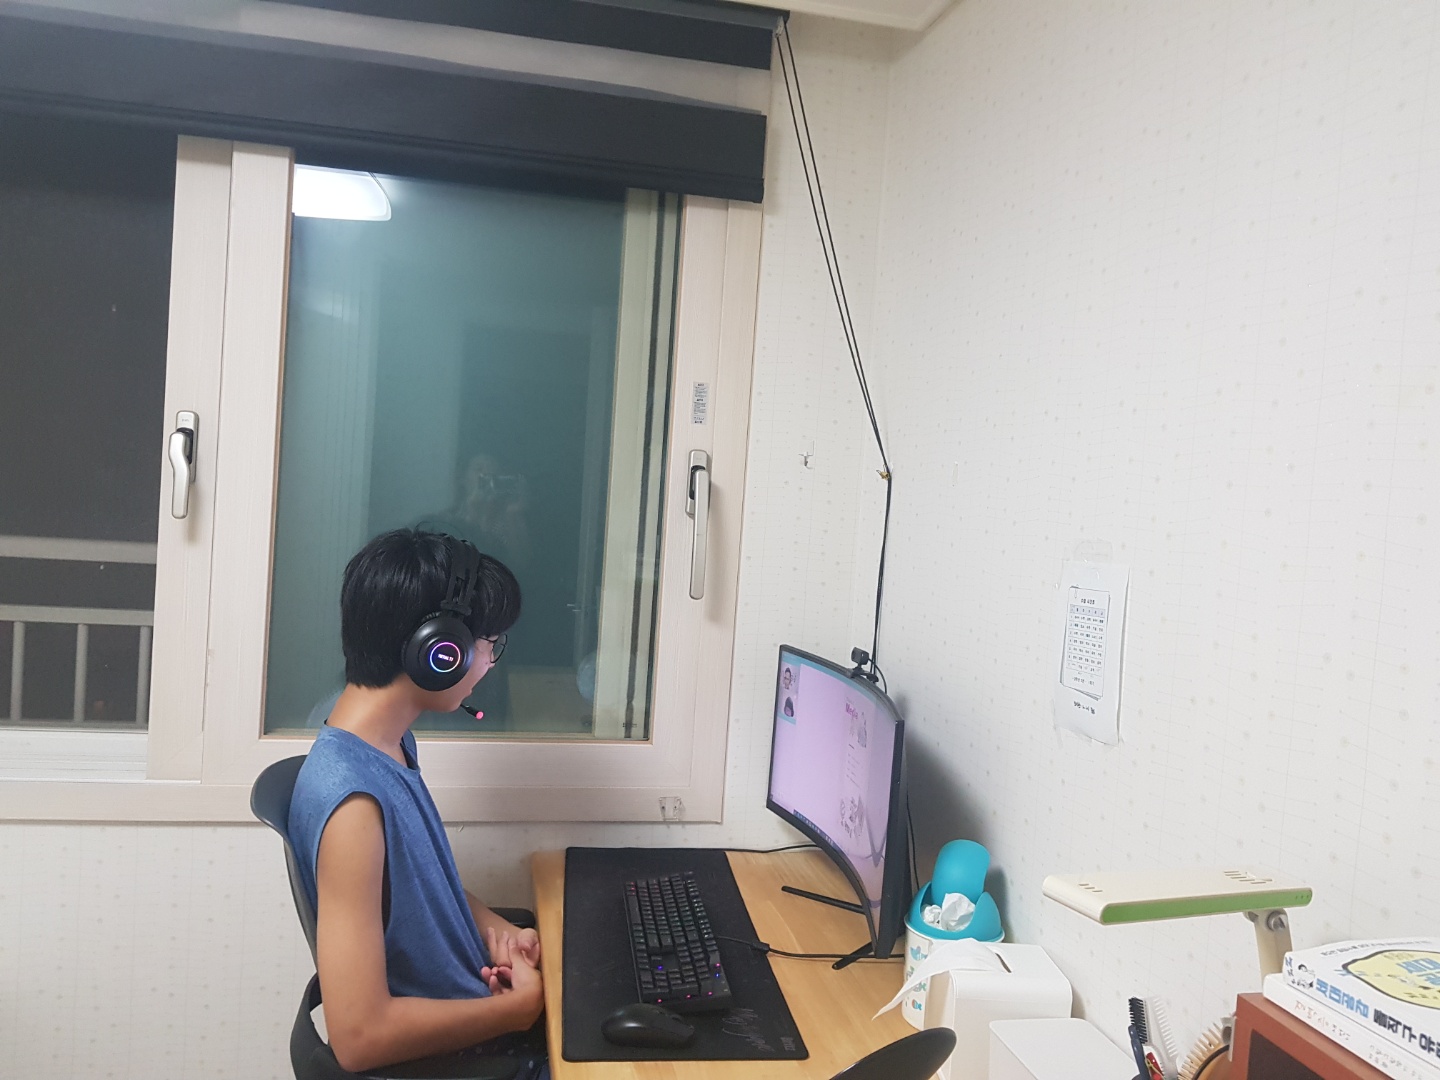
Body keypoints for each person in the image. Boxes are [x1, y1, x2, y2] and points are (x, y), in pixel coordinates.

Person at [287, 528, 542, 1073]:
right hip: (468, 1059)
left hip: (479, 1015)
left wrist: (500, 932)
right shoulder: (353, 806)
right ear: (440, 652)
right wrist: (516, 1012)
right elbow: (359, 1038)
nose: (491, 661)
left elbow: (422, 886)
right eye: (488, 643)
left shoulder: (389, 746)